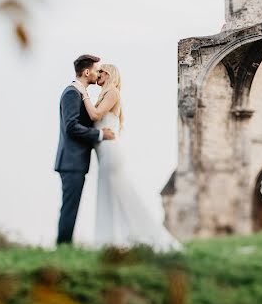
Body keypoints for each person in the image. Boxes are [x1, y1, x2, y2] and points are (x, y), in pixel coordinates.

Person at [73, 63, 182, 251]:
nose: (96, 75)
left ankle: (138, 237)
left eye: (100, 72)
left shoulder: (112, 92)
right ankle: (112, 240)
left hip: (110, 152)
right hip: (104, 153)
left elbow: (96, 114)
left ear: (107, 74)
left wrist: (83, 93)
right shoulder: (104, 94)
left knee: (120, 193)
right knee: (110, 194)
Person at [55, 54, 115, 245]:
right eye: (97, 70)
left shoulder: (79, 93)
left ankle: (64, 246)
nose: (98, 74)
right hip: (71, 161)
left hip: (76, 161)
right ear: (87, 71)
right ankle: (63, 247)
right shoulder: (72, 93)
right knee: (69, 207)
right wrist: (99, 135)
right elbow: (71, 127)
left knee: (71, 206)